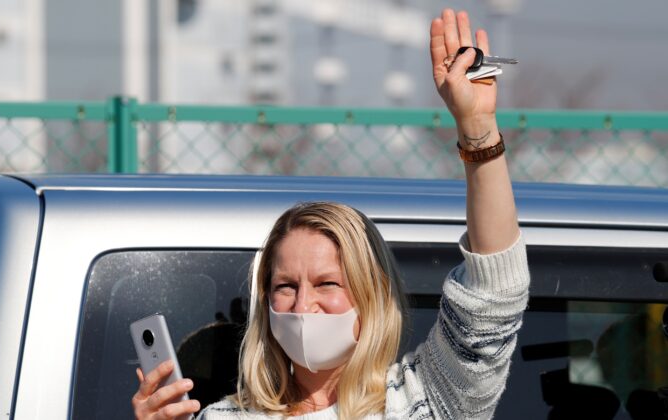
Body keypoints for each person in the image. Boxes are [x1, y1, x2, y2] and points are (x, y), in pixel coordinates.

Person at [131, 8, 530, 420]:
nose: (304, 305)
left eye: (326, 283)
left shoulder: (421, 402)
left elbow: (495, 294)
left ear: (370, 292)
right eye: (286, 286)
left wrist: (477, 125)